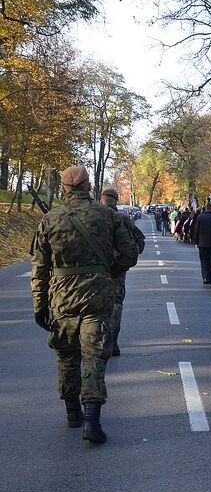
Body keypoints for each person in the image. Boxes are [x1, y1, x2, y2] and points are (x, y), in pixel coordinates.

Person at [30, 166, 139, 443]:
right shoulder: (107, 215)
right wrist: (109, 270)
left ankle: (72, 413)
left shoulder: (50, 219)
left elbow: (40, 269)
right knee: (93, 358)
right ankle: (92, 421)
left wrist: (39, 306)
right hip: (97, 298)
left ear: (64, 188)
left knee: (67, 357)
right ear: (89, 186)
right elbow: (130, 253)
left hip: (62, 300)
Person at [99, 188, 146, 356]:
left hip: (96, 272)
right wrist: (121, 263)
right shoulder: (123, 219)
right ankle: (112, 342)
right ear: (116, 201)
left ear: (101, 199)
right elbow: (140, 243)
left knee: (96, 307)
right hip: (117, 271)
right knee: (116, 306)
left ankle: (100, 341)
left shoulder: (93, 218)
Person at [192, 203, 211, 284]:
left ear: (206, 208)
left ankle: (205, 277)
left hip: (202, 243)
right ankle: (210, 277)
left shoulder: (200, 217)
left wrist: (195, 241)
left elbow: (197, 230)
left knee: (204, 261)